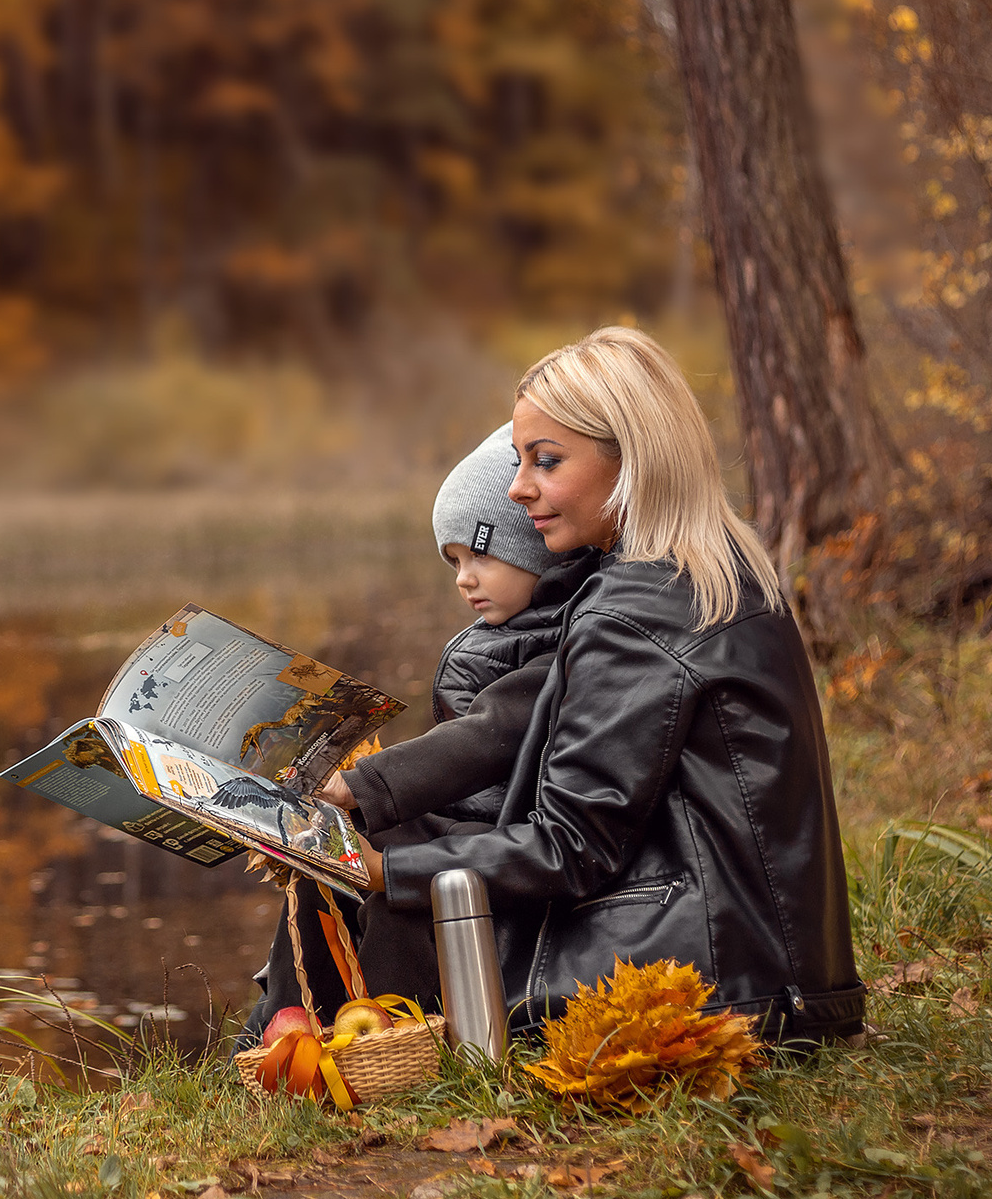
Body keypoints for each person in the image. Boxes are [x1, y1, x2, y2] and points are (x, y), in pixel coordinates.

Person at [348, 325, 864, 1043]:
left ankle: (330, 1047)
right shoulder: (713, 569)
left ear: (631, 459)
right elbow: (532, 732)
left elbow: (570, 843)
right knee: (397, 831)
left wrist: (382, 871)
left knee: (385, 857)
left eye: (546, 460)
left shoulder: (637, 608)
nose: (517, 486)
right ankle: (325, 1039)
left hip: (716, 988)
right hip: (779, 973)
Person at [239, 422, 603, 1033]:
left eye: (480, 555)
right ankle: (284, 1020)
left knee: (399, 863)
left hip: (514, 839)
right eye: (454, 561)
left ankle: (399, 1029)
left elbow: (491, 734)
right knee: (330, 853)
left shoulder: (564, 642)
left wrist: (369, 784)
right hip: (474, 822)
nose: (464, 577)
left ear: (535, 547)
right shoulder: (494, 640)